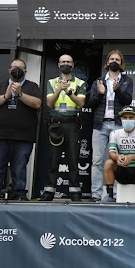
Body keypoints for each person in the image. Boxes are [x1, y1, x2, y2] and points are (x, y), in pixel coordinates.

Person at [0, 59, 42, 200]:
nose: (17, 70)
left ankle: (19, 195)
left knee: (19, 168)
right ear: (9, 70)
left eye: (20, 68)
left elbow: (37, 104)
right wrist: (5, 96)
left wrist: (20, 94)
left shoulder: (32, 86)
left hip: (23, 137)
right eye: (14, 67)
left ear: (25, 71)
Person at [87, 50, 133, 202]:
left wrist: (117, 89)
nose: (114, 61)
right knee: (97, 161)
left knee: (118, 160)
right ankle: (96, 195)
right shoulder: (98, 81)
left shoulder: (126, 81)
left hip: (118, 126)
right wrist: (100, 93)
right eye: (112, 59)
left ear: (121, 64)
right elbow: (91, 103)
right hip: (100, 125)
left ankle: (115, 194)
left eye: (117, 60)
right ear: (107, 63)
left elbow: (128, 101)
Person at [40, 54, 87, 202]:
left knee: (73, 159)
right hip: (56, 124)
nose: (65, 64)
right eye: (63, 62)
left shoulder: (80, 82)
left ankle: (75, 193)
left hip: (72, 124)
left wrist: (69, 92)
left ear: (73, 65)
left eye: (68, 62)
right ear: (59, 65)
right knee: (53, 160)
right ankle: (49, 192)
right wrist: (59, 89)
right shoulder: (52, 82)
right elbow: (49, 103)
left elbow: (81, 103)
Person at [102, 106, 135, 203]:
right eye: (125, 118)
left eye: (130, 118)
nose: (127, 120)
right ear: (121, 119)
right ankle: (109, 195)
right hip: (122, 170)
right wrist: (118, 157)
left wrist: (131, 157)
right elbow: (111, 153)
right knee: (108, 163)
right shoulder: (115, 133)